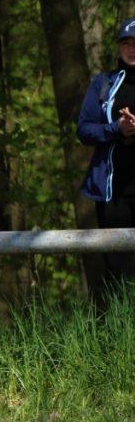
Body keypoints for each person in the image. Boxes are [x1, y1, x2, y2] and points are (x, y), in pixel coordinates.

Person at [78, 17, 135, 279]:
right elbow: (84, 130)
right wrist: (116, 128)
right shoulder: (103, 83)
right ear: (119, 47)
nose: (131, 49)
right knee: (118, 272)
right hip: (113, 195)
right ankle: (120, 308)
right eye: (126, 43)